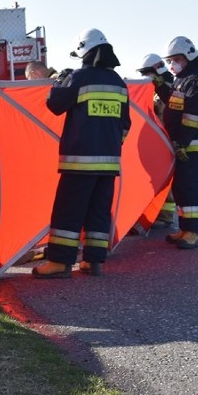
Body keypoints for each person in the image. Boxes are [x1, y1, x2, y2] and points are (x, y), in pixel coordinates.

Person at [32, 28, 131, 278]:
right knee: (99, 211)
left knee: (69, 210)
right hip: (109, 164)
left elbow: (54, 105)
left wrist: (59, 81)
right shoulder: (118, 82)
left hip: (79, 163)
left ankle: (60, 263)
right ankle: (93, 262)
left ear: (84, 52)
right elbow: (125, 125)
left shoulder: (79, 78)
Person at [155, 36, 198, 249]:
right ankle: (184, 228)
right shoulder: (184, 78)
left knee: (190, 187)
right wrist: (158, 85)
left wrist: (181, 142)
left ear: (189, 57)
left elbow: (194, 116)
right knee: (181, 188)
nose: (172, 64)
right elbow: (173, 103)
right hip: (184, 145)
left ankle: (192, 232)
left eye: (176, 59)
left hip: (194, 146)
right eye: (170, 60)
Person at [137, 53, 176, 227]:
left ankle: (165, 215)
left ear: (157, 69)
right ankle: (159, 213)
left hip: (166, 140)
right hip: (158, 141)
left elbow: (162, 110)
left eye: (147, 72)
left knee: (165, 179)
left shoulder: (168, 88)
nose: (145, 77)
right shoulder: (159, 86)